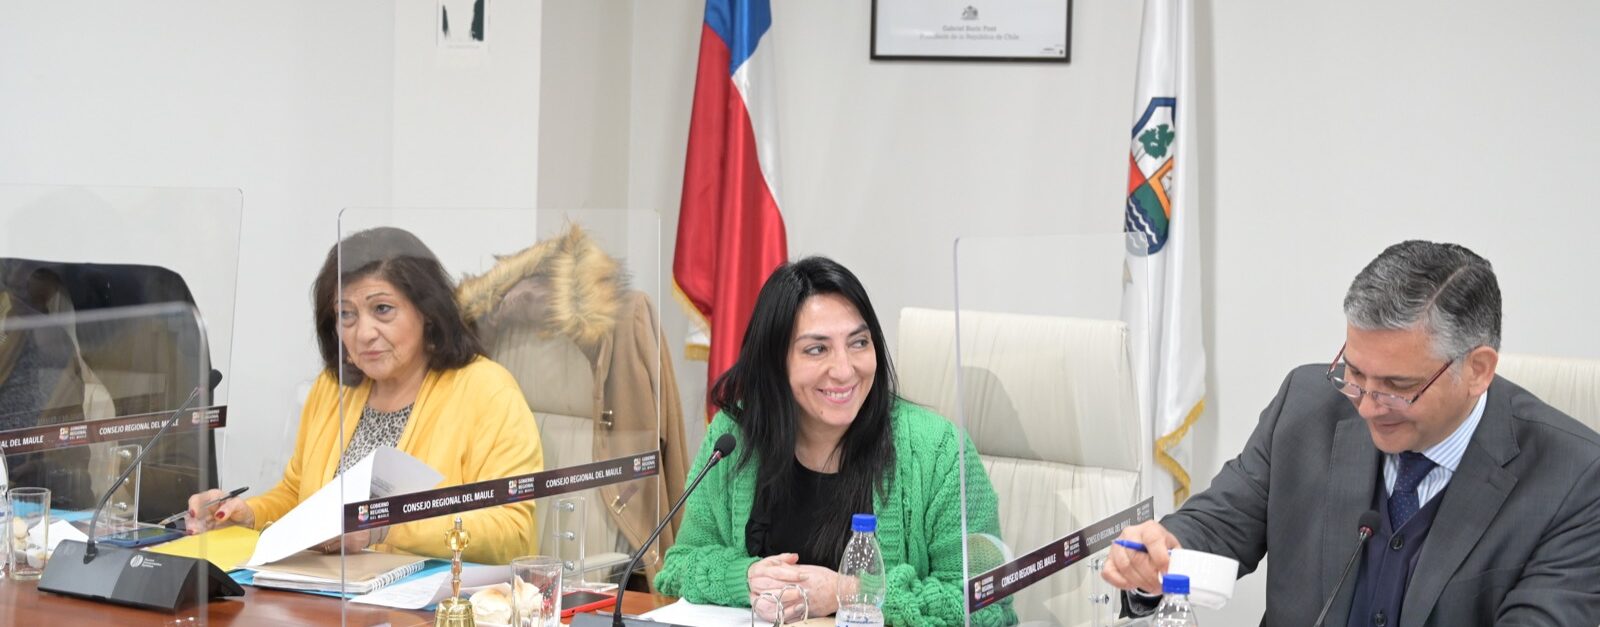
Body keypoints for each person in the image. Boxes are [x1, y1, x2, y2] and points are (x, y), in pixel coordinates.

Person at [1102, 240, 1600, 625]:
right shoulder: (1307, 405)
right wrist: (1159, 554)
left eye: (1398, 387)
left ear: (1477, 370)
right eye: (1355, 373)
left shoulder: (1573, 480)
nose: (1367, 405)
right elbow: (1218, 525)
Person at [654, 256, 1015, 626]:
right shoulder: (736, 437)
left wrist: (848, 591)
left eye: (858, 342)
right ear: (775, 362)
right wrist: (745, 579)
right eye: (817, 349)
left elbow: (988, 603)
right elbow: (679, 567)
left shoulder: (938, 451)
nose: (844, 370)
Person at [185, 227, 545, 565]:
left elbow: (511, 531)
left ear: (427, 313)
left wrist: (380, 526)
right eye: (346, 314)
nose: (363, 333)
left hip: (435, 599)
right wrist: (247, 514)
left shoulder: (487, 390)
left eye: (382, 309)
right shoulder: (333, 388)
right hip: (327, 594)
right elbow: (297, 496)